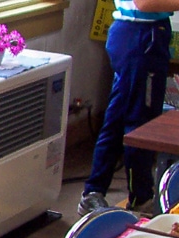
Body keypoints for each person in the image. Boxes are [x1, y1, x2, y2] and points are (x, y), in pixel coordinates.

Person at [77, 0, 179, 216]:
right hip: (140, 37)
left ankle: (94, 191)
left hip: (144, 36)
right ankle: (141, 199)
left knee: (118, 119)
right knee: (141, 125)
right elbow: (145, 3)